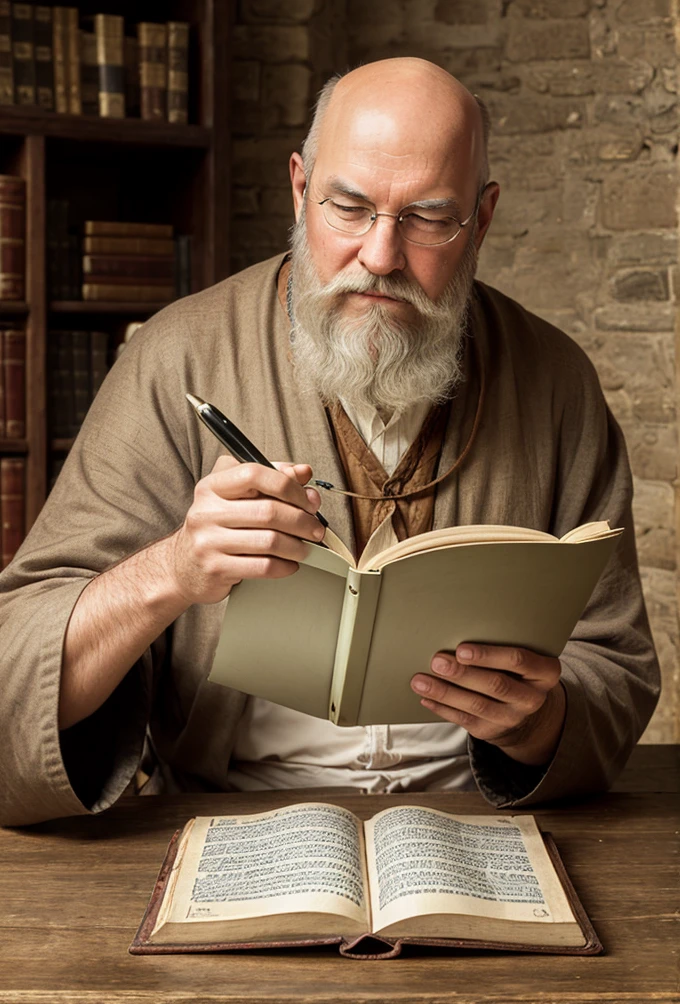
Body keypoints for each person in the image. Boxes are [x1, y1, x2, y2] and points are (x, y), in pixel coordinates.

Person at [0, 59, 659, 826]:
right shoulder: (174, 354)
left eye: (427, 217)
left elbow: (618, 665)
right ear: (298, 186)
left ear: (481, 219)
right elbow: (18, 668)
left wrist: (542, 722)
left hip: (483, 825)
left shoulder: (557, 380)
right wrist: (172, 571)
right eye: (348, 207)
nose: (380, 256)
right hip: (232, 824)